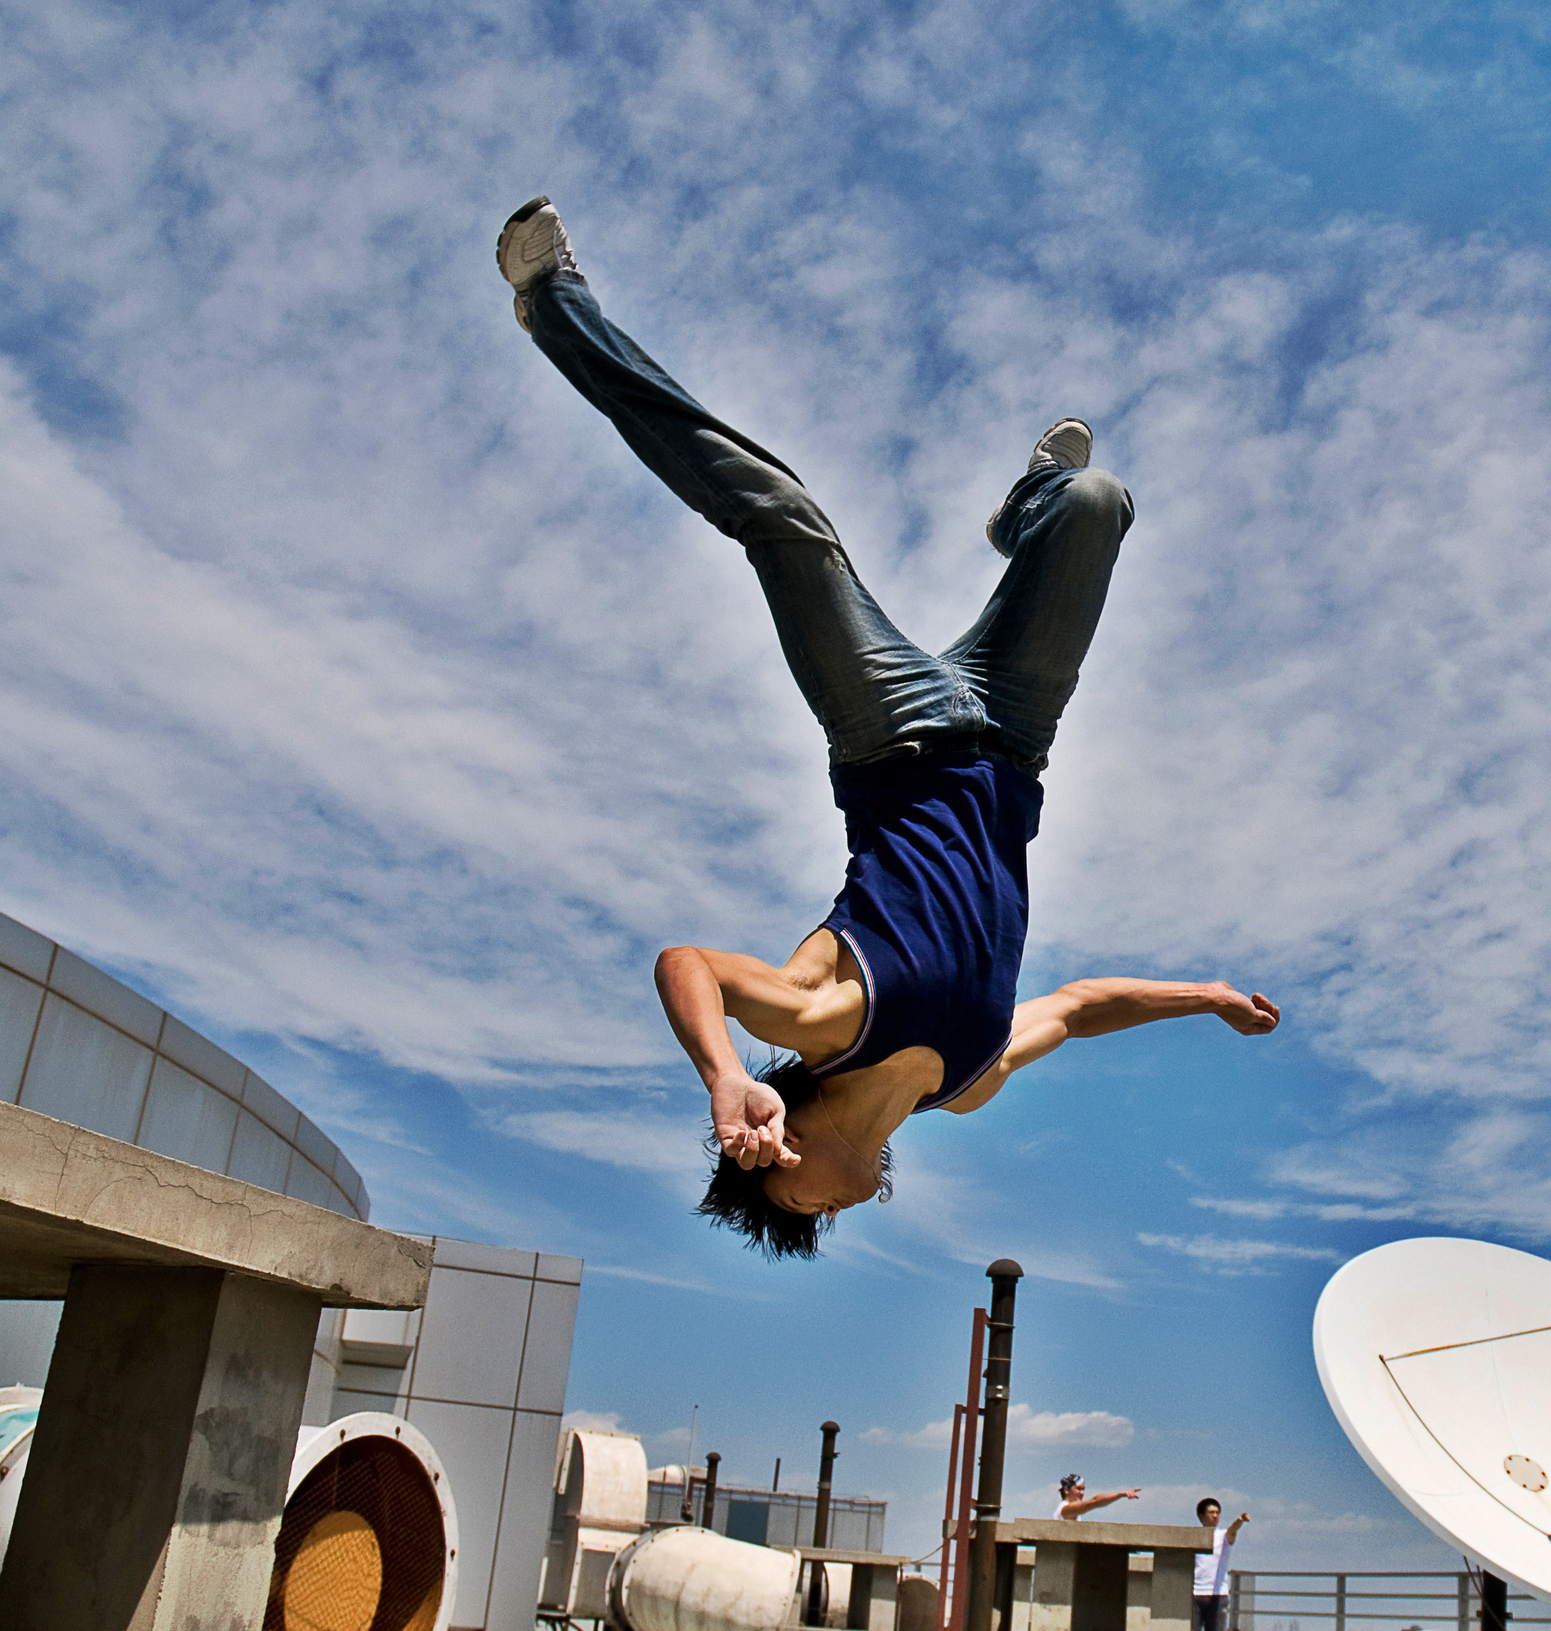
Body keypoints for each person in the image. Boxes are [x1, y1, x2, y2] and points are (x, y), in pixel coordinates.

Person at [498, 198, 1282, 1259]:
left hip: (893, 729)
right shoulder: (968, 1081)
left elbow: (687, 962)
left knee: (780, 518)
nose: (818, 1200)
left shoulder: (822, 1018)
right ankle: (1035, 504)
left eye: (795, 1199)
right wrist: (1206, 996)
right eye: (802, 1200)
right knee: (1098, 502)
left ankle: (554, 307)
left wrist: (729, 1075)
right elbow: (1083, 1004)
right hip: (1011, 732)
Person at [1193, 1497, 1249, 1631]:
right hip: (1195, 1595)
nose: (1215, 1516)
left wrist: (1239, 1522)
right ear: (1201, 1516)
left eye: (1217, 1513)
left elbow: (1232, 1532)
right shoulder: (1192, 1537)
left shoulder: (1223, 1536)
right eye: (1211, 1512)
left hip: (1218, 1596)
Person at [1055, 1473, 1142, 1520]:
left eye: (1083, 1489)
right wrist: (1119, 1495)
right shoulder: (1064, 1509)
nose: (1082, 1493)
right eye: (1078, 1489)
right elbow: (1094, 1502)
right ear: (1066, 1490)